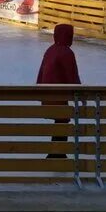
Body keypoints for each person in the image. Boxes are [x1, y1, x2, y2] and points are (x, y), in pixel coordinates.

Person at [36, 24, 80, 158]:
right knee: (63, 119)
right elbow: (71, 76)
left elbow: (41, 71)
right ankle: (58, 153)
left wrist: (40, 90)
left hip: (47, 93)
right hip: (58, 95)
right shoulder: (66, 52)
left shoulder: (50, 50)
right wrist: (79, 91)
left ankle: (56, 152)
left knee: (61, 120)